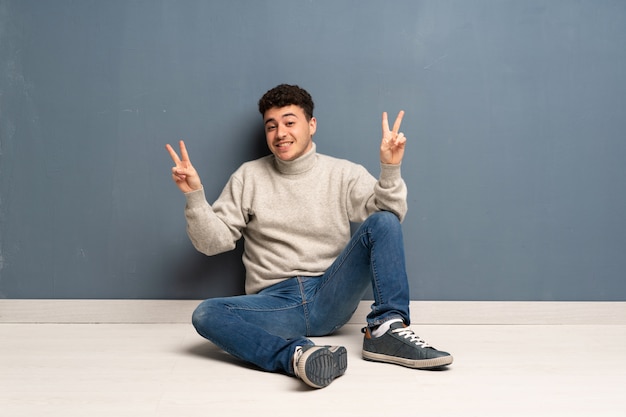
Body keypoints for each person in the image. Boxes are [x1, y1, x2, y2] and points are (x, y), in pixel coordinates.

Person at [165, 84, 452, 389]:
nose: (280, 133)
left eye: (290, 122)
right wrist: (195, 197)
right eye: (271, 126)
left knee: (382, 221)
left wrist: (390, 168)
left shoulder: (343, 173)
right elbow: (213, 242)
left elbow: (390, 215)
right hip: (276, 303)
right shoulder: (248, 176)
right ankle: (297, 357)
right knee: (206, 313)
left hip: (331, 293)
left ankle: (385, 330)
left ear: (311, 125)